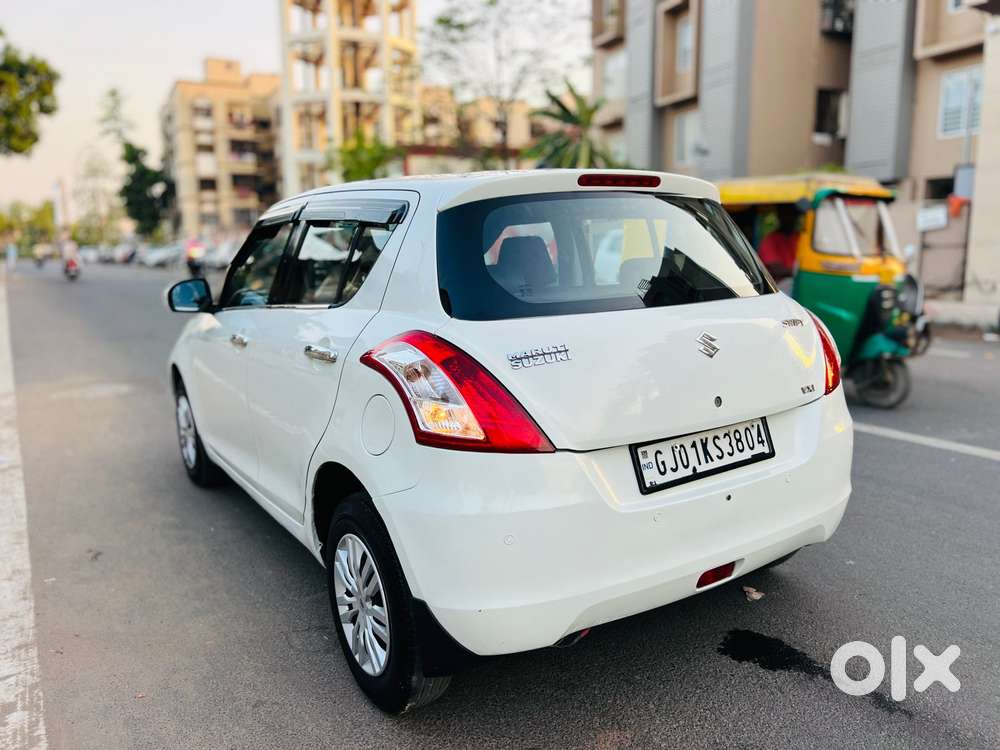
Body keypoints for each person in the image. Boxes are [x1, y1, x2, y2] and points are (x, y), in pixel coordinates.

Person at [757, 205, 800, 280]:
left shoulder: (800, 238)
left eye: (793, 215)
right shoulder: (769, 240)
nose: (790, 218)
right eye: (786, 215)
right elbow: (777, 270)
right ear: (779, 216)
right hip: (779, 284)